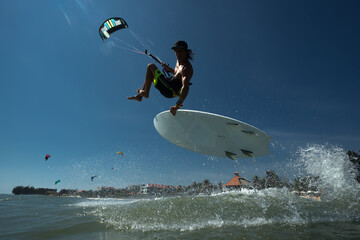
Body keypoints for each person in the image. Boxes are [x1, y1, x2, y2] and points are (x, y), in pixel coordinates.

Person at [127, 41, 194, 116]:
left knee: (150, 66)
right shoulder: (178, 62)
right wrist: (168, 68)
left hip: (171, 89)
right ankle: (139, 97)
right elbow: (177, 74)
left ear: (186, 52)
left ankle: (145, 93)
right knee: (151, 72)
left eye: (180, 51)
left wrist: (177, 106)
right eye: (176, 51)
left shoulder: (186, 68)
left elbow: (185, 87)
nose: (178, 54)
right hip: (168, 85)